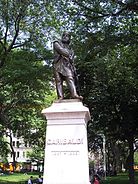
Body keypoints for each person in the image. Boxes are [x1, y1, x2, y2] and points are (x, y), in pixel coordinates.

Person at [53, 31, 83, 100]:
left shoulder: (71, 49)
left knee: (70, 78)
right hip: (57, 64)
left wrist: (71, 58)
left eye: (67, 36)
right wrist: (68, 54)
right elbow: (61, 50)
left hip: (67, 65)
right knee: (58, 81)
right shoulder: (56, 43)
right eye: (63, 35)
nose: (64, 37)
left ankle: (74, 94)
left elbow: (72, 59)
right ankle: (60, 97)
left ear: (69, 38)